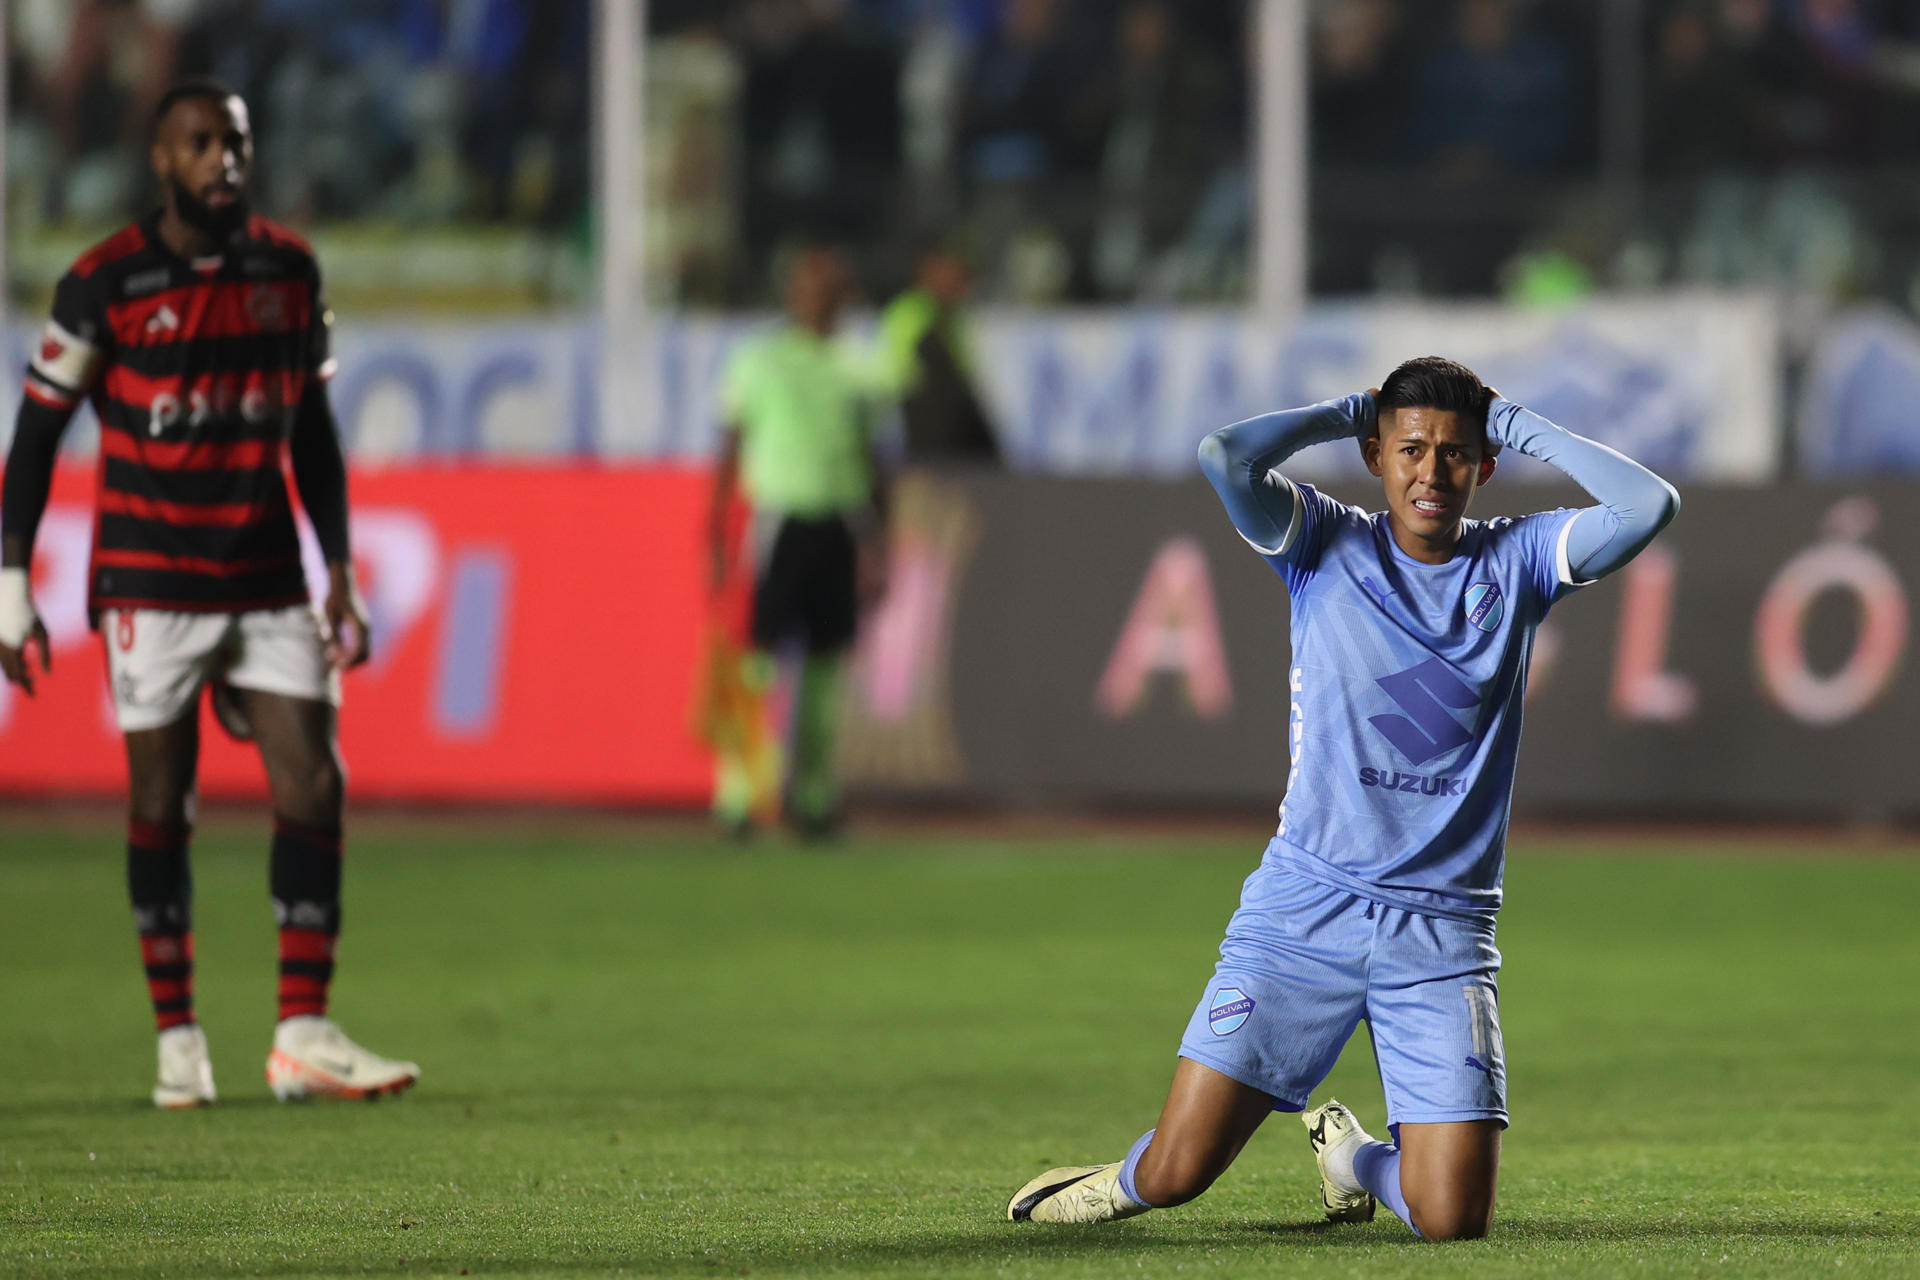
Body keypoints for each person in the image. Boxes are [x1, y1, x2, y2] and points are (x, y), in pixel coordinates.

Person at [1006, 357, 1678, 1238]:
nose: (1430, 474)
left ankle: (1350, 1155)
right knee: (1176, 1174)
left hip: (1442, 931)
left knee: (1450, 1218)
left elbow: (1648, 506)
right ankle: (1121, 1183)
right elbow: (1225, 456)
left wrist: (1514, 424)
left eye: (1454, 454)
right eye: (1408, 449)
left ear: (1482, 466)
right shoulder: (1324, 541)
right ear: (1375, 455)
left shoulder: (1517, 562)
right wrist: (1345, 410)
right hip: (1306, 911)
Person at [0, 79, 419, 1108]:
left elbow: (313, 438)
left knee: (314, 780)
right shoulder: (105, 282)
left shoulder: (289, 268)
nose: (222, 161)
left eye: (234, 142)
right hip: (152, 577)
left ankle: (303, 1033)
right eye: (200, 144)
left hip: (269, 572)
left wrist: (343, 573)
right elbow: (39, 436)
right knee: (160, 802)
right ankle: (178, 1036)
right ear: (161, 159)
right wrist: (10, 583)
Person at [706, 246, 891, 839]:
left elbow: (874, 459)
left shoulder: (858, 368)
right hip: (778, 520)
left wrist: (879, 541)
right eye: (812, 288)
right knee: (756, 662)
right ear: (793, 294)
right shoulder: (759, 360)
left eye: (831, 289)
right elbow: (730, 448)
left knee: (825, 666)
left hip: (837, 521)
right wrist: (716, 531)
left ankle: (812, 796)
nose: (820, 299)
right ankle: (740, 795)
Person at [876, 246, 1001, 464]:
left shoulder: (951, 318)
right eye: (954, 276)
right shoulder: (912, 313)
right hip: (925, 429)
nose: (961, 286)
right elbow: (903, 376)